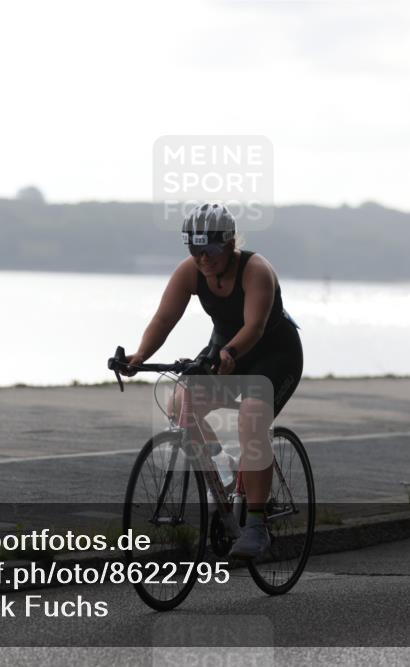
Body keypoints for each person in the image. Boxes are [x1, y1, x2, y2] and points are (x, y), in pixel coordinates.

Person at [122, 203, 303, 559]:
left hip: (273, 355)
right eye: (194, 250)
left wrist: (231, 354)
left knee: (252, 417)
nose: (202, 258)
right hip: (225, 350)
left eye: (210, 250)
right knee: (179, 402)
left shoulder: (256, 271)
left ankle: (256, 525)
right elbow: (164, 319)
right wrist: (139, 355)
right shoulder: (190, 272)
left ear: (231, 243)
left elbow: (255, 327)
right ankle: (222, 468)